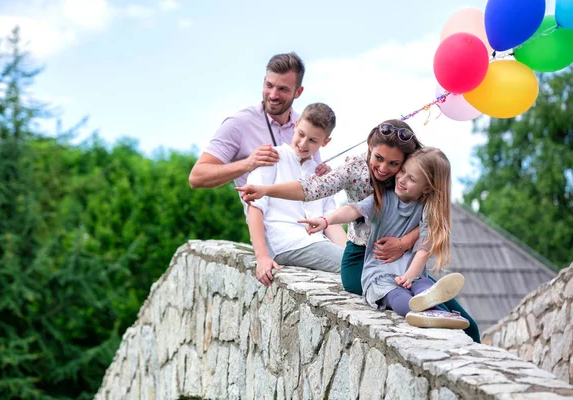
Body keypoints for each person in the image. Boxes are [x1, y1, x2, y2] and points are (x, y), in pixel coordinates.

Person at [236, 122, 481, 341]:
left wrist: (405, 242)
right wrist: (267, 190)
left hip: (404, 262)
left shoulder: (414, 176)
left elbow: (433, 223)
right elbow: (315, 189)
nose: (384, 169)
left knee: (469, 326)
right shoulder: (357, 170)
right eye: (378, 158)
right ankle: (423, 310)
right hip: (363, 262)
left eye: (394, 163)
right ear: (369, 149)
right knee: (415, 299)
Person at [299, 147, 470, 329]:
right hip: (379, 273)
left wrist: (409, 277)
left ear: (427, 188)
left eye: (411, 179)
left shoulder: (427, 209)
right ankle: (420, 313)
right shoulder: (382, 199)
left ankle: (434, 311)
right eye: (403, 171)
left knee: (423, 287)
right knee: (396, 295)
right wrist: (326, 220)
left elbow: (424, 249)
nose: (402, 179)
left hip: (412, 273)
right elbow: (354, 210)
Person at [188, 52, 328, 191]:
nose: (273, 95)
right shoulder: (238, 124)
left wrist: (325, 174)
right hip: (260, 212)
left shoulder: (306, 126)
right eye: (269, 85)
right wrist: (247, 164)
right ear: (263, 81)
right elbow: (196, 177)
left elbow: (314, 180)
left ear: (298, 92)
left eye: (282, 89)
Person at [246, 103, 346, 287]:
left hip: (314, 242)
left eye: (313, 140)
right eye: (301, 134)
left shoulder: (320, 174)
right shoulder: (272, 157)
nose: (303, 143)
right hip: (286, 243)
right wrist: (262, 257)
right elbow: (255, 208)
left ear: (325, 142)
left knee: (360, 260)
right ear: (296, 124)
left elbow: (331, 222)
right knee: (352, 266)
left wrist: (351, 251)